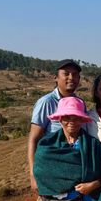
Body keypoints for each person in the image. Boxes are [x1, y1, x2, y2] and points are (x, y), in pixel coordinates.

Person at [27, 59, 82, 193]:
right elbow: (33, 139)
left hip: (76, 172)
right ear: (56, 78)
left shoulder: (79, 103)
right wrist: (33, 174)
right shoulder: (46, 102)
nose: (71, 78)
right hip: (52, 171)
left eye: (75, 74)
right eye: (66, 74)